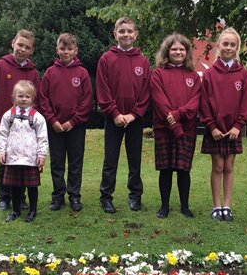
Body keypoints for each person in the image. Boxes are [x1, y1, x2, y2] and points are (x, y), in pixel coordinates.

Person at [0, 30, 40, 212]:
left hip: (27, 127)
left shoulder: (33, 72)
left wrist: (37, 122)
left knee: (23, 163)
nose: (22, 49)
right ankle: (4, 197)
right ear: (13, 43)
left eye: (27, 47)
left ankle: (20, 198)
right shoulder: (0, 66)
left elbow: (37, 99)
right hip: (5, 125)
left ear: (31, 51)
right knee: (4, 161)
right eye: (20, 45)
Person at [96, 17, 151, 213]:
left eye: (129, 31)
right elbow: (102, 90)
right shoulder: (106, 59)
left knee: (134, 160)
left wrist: (134, 114)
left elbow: (146, 92)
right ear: (115, 34)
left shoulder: (143, 61)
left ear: (136, 35)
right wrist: (115, 113)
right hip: (113, 120)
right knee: (110, 160)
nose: (126, 34)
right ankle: (106, 197)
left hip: (135, 120)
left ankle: (135, 196)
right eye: (122, 31)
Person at [200, 27, 247, 222]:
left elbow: (246, 104)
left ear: (237, 47)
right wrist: (211, 126)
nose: (228, 47)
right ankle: (216, 206)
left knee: (229, 166)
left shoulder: (243, 74)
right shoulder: (210, 74)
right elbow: (203, 103)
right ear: (218, 46)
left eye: (232, 44)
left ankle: (227, 205)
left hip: (233, 130)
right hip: (215, 130)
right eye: (225, 44)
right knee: (218, 166)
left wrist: (238, 126)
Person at [150, 33, 202, 219]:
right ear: (167, 51)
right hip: (164, 129)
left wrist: (178, 116)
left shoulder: (194, 76)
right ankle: (164, 206)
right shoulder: (158, 74)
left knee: (183, 169)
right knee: (165, 169)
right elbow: (159, 100)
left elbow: (195, 102)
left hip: (186, 129)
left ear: (187, 52)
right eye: (174, 49)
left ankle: (185, 206)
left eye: (181, 49)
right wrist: (173, 123)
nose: (178, 52)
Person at [39, 33, 92, 212]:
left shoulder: (82, 73)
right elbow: (43, 99)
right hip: (54, 127)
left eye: (69, 49)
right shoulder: (50, 73)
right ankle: (58, 196)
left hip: (76, 127)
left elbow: (87, 101)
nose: (66, 52)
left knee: (76, 162)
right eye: (63, 49)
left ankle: (74, 196)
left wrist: (74, 121)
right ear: (57, 50)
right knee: (57, 162)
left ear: (75, 50)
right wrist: (52, 120)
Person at [0, 80, 49, 223]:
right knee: (14, 186)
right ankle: (15, 211)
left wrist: (42, 155)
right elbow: (2, 134)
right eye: (20, 96)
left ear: (32, 98)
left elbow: (42, 137)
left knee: (32, 186)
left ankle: (32, 211)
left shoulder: (37, 117)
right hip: (13, 157)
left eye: (27, 96)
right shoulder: (8, 116)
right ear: (14, 97)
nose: (24, 99)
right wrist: (1, 152)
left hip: (30, 158)